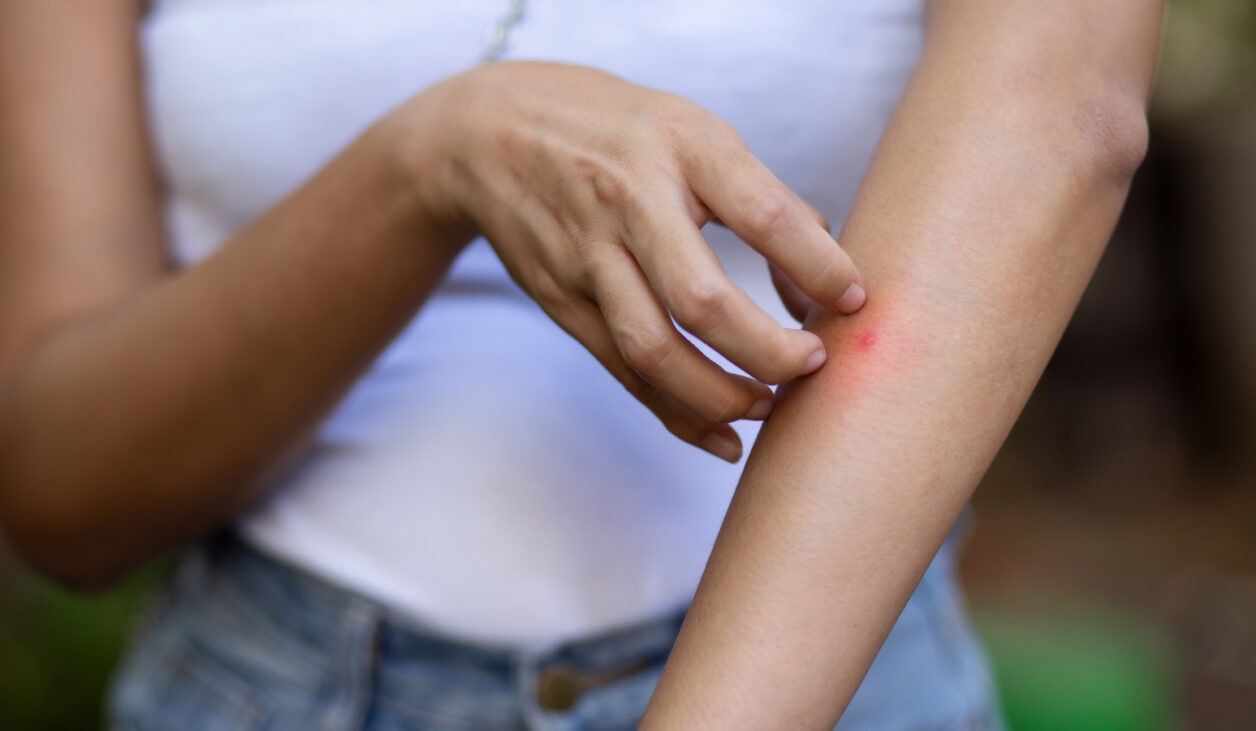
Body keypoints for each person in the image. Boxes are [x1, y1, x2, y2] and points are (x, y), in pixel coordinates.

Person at [0, 0, 1163, 728]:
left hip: (823, 687)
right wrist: (426, 162)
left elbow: (1057, 118)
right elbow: (62, 493)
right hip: (275, 682)